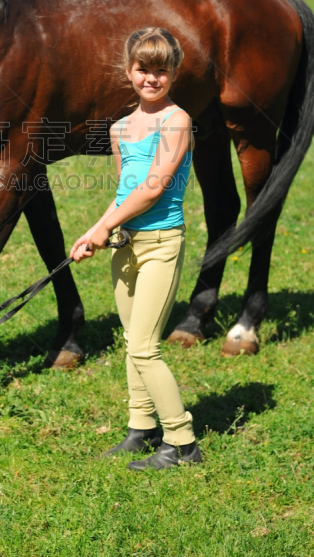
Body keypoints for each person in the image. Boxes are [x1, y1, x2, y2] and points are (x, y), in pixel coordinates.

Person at [70, 27, 202, 472]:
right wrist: (95, 232)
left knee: (145, 346)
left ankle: (182, 442)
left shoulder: (176, 121)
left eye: (160, 71)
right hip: (125, 244)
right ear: (129, 72)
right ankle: (140, 427)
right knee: (132, 341)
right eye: (143, 69)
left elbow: (152, 188)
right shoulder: (121, 127)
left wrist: (107, 225)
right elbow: (125, 188)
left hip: (162, 243)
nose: (151, 78)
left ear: (173, 73)